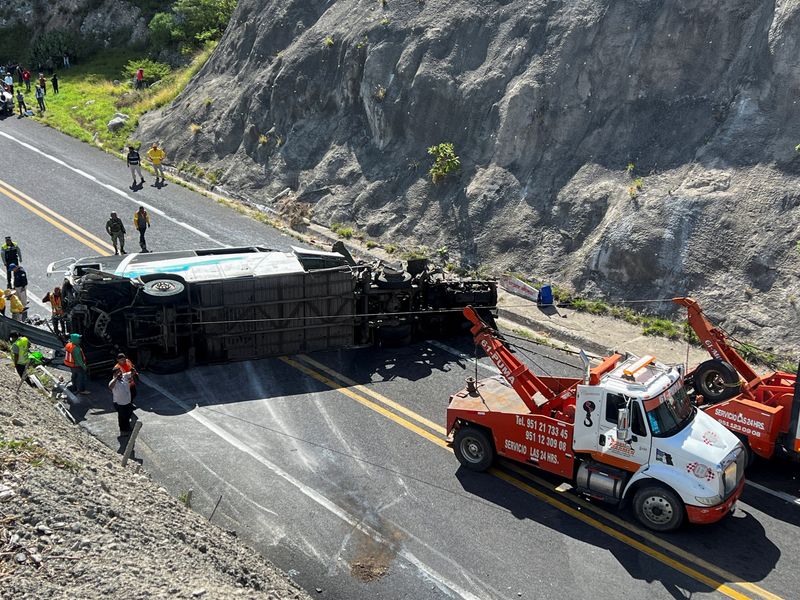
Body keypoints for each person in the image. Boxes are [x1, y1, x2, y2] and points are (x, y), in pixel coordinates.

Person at [109, 367, 134, 434]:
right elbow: (110, 386)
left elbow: (131, 373)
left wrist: (132, 371)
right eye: (118, 372)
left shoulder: (124, 377)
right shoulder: (114, 381)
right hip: (120, 404)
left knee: (128, 414)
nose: (120, 373)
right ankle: (124, 429)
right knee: (123, 417)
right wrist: (116, 378)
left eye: (120, 371)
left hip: (127, 402)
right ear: (115, 374)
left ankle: (126, 427)